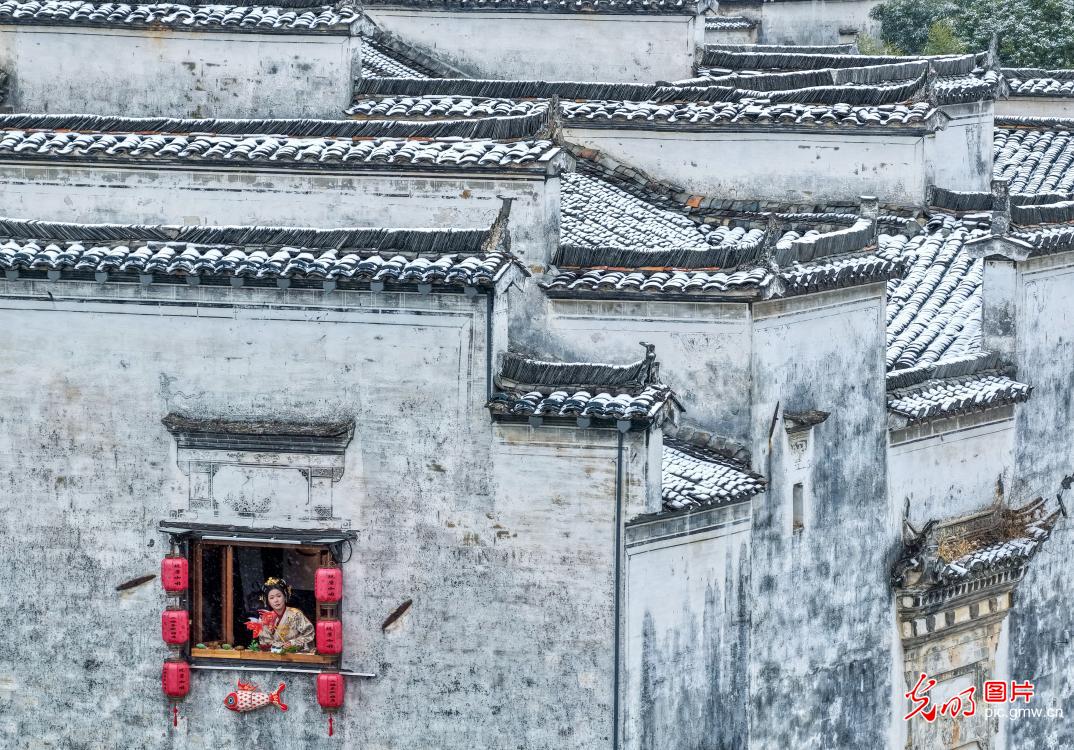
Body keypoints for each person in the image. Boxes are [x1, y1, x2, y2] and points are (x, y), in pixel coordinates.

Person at [257, 577, 315, 653]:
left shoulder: (296, 614)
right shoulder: (265, 618)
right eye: (271, 598)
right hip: (274, 657)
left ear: (285, 596)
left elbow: (309, 635)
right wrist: (280, 646)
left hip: (296, 656)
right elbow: (265, 642)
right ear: (267, 601)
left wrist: (293, 643)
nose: (276, 600)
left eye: (279, 596)